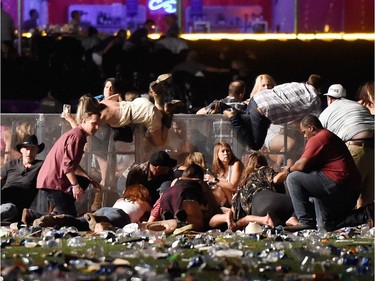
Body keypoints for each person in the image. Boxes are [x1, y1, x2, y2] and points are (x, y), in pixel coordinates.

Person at [284, 115, 371, 232]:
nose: (304, 136)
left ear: (311, 127)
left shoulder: (319, 138)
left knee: (293, 178)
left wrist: (288, 170)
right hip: (350, 189)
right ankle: (366, 214)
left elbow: (301, 165)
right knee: (326, 226)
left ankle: (305, 221)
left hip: (339, 183)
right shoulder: (328, 136)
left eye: (304, 132)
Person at [23, 108, 102, 225]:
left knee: (83, 181)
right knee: (71, 221)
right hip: (53, 183)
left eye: (98, 124)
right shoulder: (77, 136)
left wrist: (88, 178)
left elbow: (72, 163)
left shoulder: (78, 134)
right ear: (84, 121)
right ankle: (34, 215)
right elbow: (68, 165)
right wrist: (75, 185)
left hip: (54, 181)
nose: (97, 128)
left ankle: (56, 211)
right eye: (93, 124)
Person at [223, 74, 323, 150]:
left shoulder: (295, 85)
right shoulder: (315, 99)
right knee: (256, 145)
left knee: (247, 120)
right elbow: (315, 120)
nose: (266, 87)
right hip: (263, 112)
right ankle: (233, 117)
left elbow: (277, 89)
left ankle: (222, 106)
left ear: (307, 81)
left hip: (257, 101)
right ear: (319, 89)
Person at [319, 84, 374, 208]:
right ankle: (369, 224)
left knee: (346, 192)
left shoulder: (327, 112)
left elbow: (317, 140)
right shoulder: (357, 105)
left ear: (329, 99)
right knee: (367, 198)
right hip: (372, 149)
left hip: (355, 147)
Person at [209, 152, 293, 230]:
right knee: (298, 207)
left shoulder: (241, 186)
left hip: (258, 212)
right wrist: (288, 171)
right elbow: (276, 179)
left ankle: (281, 220)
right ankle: (293, 218)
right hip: (278, 201)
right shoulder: (262, 169)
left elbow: (234, 212)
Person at [33, 184, 152, 232]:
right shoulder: (144, 203)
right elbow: (152, 214)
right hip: (120, 215)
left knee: (78, 223)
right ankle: (99, 221)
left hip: (104, 210)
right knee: (108, 222)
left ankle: (52, 218)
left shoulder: (121, 200)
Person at [251, 74, 304, 168]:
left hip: (286, 133)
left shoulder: (280, 98)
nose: (267, 88)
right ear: (258, 87)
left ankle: (280, 176)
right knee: (290, 144)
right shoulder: (255, 102)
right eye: (263, 85)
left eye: (269, 85)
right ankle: (278, 169)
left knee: (289, 160)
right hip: (271, 135)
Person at [0, 135, 44, 223]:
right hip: (4, 195)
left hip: (14, 206)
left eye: (32, 149)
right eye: (26, 149)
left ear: (37, 150)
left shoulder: (41, 165)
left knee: (10, 208)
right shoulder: (11, 164)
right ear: (21, 150)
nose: (29, 152)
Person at [160, 163, 207, 229]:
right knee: (199, 223)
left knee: (174, 213)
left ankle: (170, 216)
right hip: (185, 194)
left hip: (166, 196)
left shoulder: (177, 180)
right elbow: (202, 206)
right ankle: (183, 217)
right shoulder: (198, 182)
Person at [204, 142, 243, 208]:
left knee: (219, 184)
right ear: (217, 155)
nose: (226, 153)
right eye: (223, 151)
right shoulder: (218, 170)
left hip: (239, 199)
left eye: (228, 150)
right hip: (227, 200)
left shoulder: (236, 164)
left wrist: (213, 180)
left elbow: (233, 186)